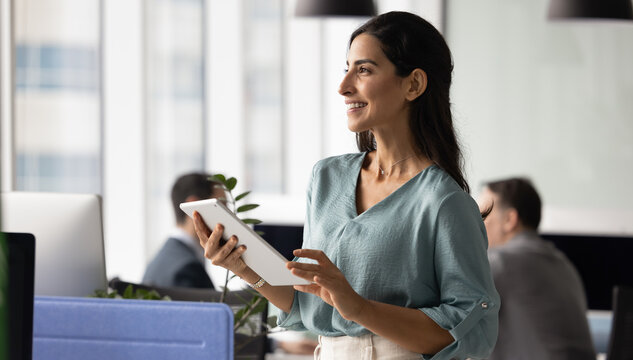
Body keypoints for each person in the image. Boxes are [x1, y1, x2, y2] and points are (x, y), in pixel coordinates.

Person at [194, 11, 499, 359]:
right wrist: (243, 268)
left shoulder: (444, 202)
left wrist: (358, 307)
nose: (344, 86)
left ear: (413, 84)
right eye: (346, 68)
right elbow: (308, 304)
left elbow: (469, 330)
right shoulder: (326, 178)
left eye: (364, 70)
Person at [478, 177, 596, 360]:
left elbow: (450, 321)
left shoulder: (500, 262)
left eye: (484, 216)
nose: (477, 225)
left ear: (510, 219)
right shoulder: (563, 264)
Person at [142, 172, 225, 288]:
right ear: (194, 206)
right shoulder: (187, 269)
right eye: (222, 206)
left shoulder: (157, 262)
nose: (228, 216)